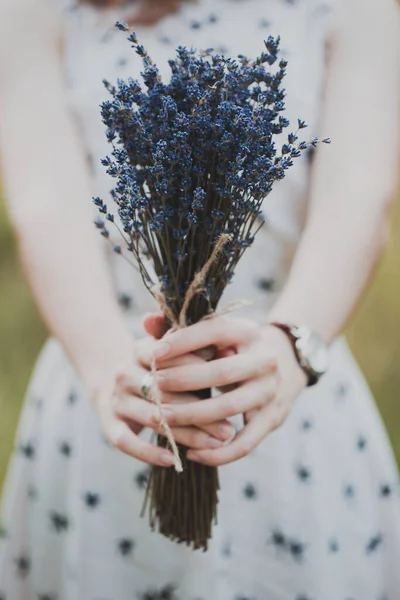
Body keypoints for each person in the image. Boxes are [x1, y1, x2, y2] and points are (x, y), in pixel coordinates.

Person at [0, 0, 400, 598]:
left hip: (282, 386)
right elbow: (43, 206)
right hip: (113, 385)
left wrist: (293, 346)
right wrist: (111, 368)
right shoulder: (41, 11)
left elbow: (361, 196)